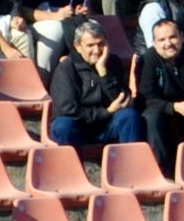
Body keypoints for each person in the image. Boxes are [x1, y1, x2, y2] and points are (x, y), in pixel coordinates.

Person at [135, 16, 184, 169]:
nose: (168, 43)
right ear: (154, 43)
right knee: (152, 117)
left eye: (172, 37)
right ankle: (160, 169)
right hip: (159, 108)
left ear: (181, 37)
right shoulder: (147, 61)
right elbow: (146, 97)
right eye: (162, 39)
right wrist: (173, 107)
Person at [47, 19, 141, 147]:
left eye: (101, 44)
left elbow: (122, 100)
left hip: (107, 125)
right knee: (63, 125)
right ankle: (71, 167)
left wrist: (103, 73)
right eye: (90, 45)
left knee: (129, 116)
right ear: (78, 46)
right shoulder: (66, 69)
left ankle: (132, 165)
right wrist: (106, 112)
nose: (97, 50)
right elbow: (68, 110)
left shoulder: (113, 62)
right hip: (78, 125)